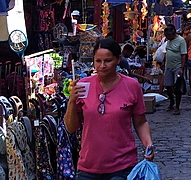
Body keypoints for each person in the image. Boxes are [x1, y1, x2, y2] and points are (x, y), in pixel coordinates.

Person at [65, 38, 154, 180]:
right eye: (98, 61)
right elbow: (71, 127)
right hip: (88, 166)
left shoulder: (131, 86)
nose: (102, 66)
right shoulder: (83, 86)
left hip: (122, 166)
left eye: (107, 61)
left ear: (118, 60)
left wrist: (148, 143)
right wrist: (71, 101)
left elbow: (140, 122)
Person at [163, 24, 187, 114]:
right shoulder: (168, 41)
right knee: (168, 86)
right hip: (168, 66)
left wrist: (182, 67)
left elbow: (183, 54)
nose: (167, 37)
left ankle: (177, 106)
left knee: (177, 87)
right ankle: (171, 101)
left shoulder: (181, 41)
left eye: (168, 36)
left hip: (177, 66)